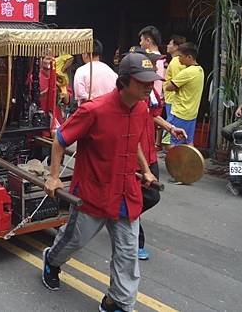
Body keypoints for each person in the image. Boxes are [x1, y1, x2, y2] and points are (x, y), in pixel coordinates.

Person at [42, 53, 160, 312]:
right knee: (73, 241)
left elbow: (135, 141)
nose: (149, 87)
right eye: (143, 82)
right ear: (125, 81)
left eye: (151, 81)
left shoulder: (141, 108)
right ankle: (51, 260)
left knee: (128, 255)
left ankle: (118, 302)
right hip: (93, 192)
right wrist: (53, 177)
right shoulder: (93, 110)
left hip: (126, 194)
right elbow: (60, 140)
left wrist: (145, 171)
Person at [129, 47, 186, 260]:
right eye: (152, 63)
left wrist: (170, 128)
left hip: (149, 152)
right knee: (140, 196)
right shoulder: (132, 92)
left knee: (152, 196)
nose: (155, 67)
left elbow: (153, 115)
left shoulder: (151, 91)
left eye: (156, 64)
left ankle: (121, 215)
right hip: (135, 155)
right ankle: (134, 239)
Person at [164, 42, 205, 147]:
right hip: (191, 113)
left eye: (180, 56)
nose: (178, 59)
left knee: (170, 143)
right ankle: (190, 163)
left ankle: (174, 163)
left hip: (179, 112)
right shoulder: (200, 70)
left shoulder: (187, 72)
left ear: (189, 57)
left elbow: (168, 87)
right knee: (189, 142)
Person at [73, 39, 118, 105]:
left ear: (85, 54)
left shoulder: (81, 71)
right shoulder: (111, 71)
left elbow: (80, 94)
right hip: (109, 109)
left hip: (90, 110)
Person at [161, 35, 187, 150]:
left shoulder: (176, 62)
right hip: (171, 99)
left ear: (176, 47)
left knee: (170, 129)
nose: (168, 45)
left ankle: (174, 156)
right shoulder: (175, 61)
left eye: (170, 44)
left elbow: (176, 83)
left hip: (172, 100)